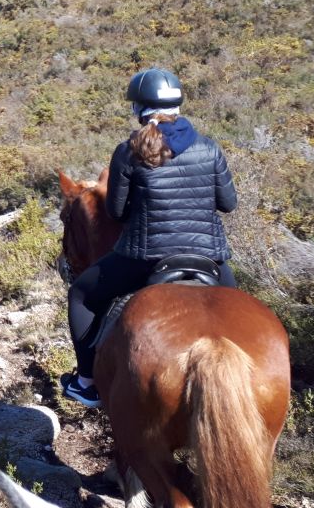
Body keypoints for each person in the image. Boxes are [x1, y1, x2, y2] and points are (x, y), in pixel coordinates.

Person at [61, 68, 237, 408]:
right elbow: (228, 203)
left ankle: (85, 382)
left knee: (80, 295)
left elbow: (115, 212)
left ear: (138, 108)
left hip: (146, 258)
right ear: (178, 106)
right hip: (209, 257)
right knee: (239, 314)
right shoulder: (209, 148)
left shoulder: (129, 152)